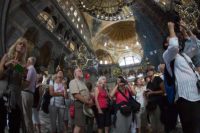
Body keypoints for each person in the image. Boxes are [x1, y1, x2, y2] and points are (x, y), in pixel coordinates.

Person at [163, 21, 200, 133]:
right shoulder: (167, 56)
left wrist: (187, 30)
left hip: (197, 94)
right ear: (166, 44)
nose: (175, 38)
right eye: (171, 37)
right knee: (191, 129)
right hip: (184, 97)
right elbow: (173, 46)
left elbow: (197, 45)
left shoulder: (184, 55)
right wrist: (171, 28)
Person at [0, 37, 27, 133]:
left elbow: (23, 82)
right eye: (20, 43)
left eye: (24, 45)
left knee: (14, 125)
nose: (22, 46)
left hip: (15, 96)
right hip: (2, 91)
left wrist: (19, 68)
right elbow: (0, 75)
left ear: (25, 50)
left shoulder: (24, 65)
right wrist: (7, 64)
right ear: (16, 45)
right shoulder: (6, 57)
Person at [69, 68, 93, 133]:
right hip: (78, 104)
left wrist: (90, 99)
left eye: (81, 71)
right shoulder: (73, 81)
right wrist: (87, 101)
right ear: (75, 74)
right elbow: (76, 95)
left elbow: (87, 93)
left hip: (84, 105)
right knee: (78, 125)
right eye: (79, 71)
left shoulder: (82, 82)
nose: (81, 72)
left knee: (82, 125)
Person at [145, 66, 165, 133]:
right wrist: (146, 93)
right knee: (153, 122)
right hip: (151, 104)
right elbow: (149, 93)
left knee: (159, 120)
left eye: (151, 70)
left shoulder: (157, 78)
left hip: (158, 103)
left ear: (153, 71)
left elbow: (164, 91)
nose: (149, 71)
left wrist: (152, 92)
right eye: (147, 71)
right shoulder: (149, 83)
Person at [21, 56, 37, 133]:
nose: (26, 62)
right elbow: (23, 72)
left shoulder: (31, 69)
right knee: (28, 115)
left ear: (30, 62)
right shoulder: (33, 70)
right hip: (30, 94)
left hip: (26, 93)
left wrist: (20, 87)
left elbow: (27, 82)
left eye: (27, 60)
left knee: (25, 116)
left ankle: (28, 131)